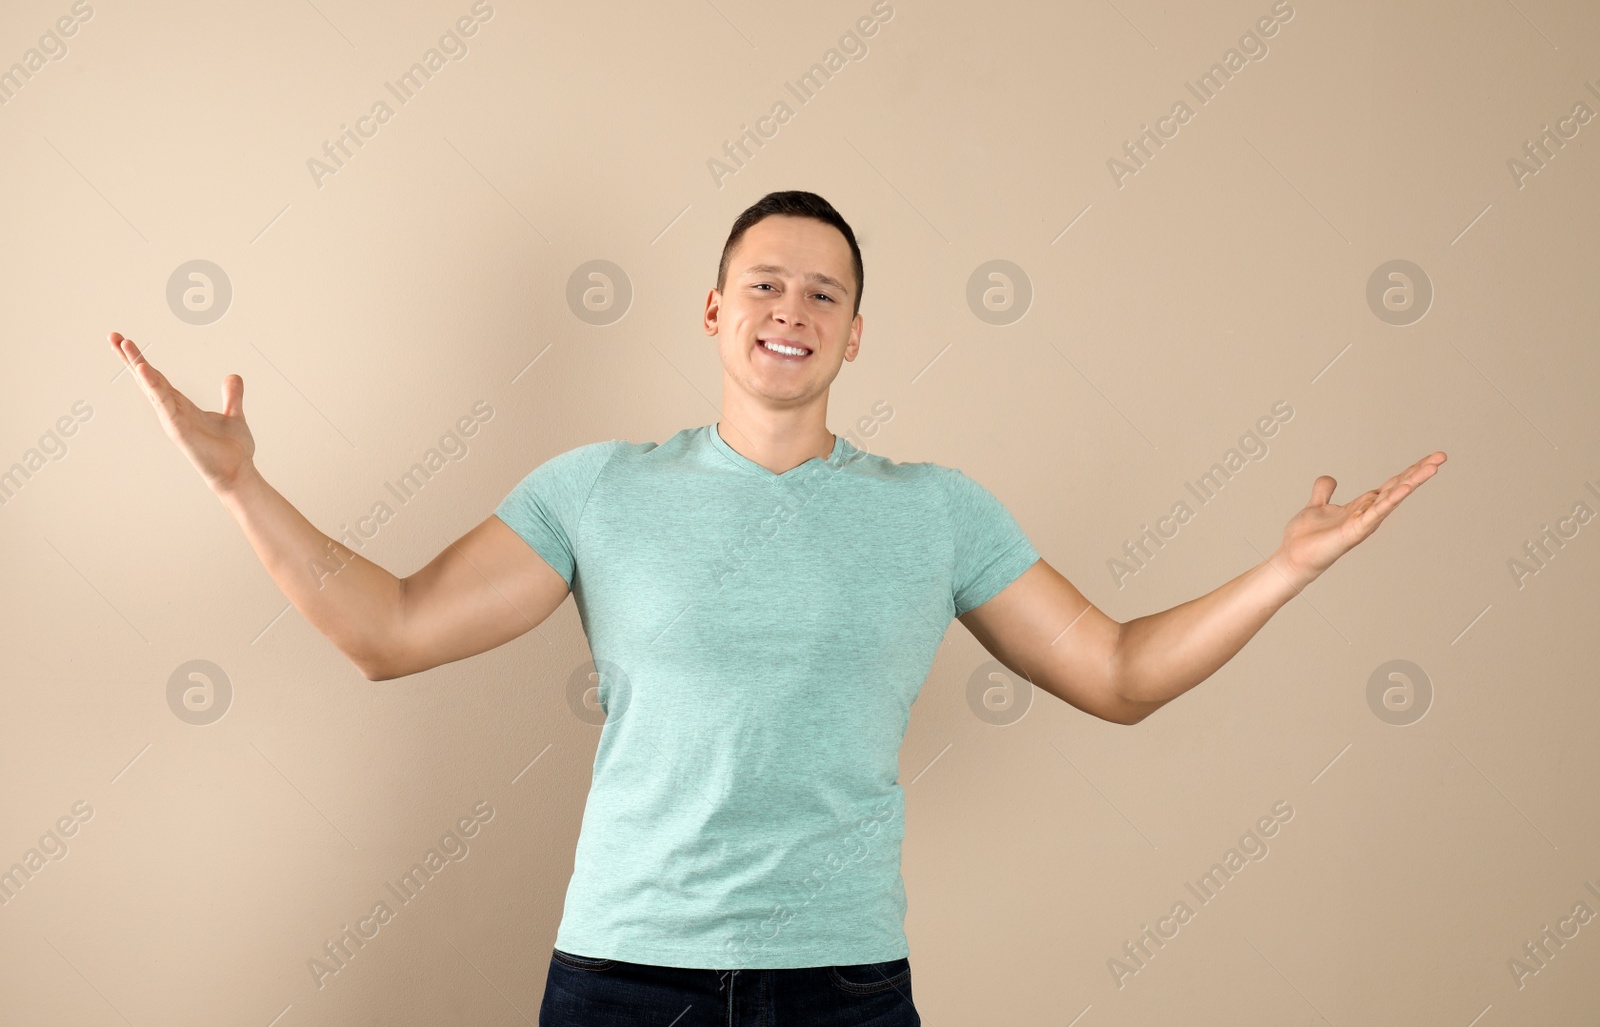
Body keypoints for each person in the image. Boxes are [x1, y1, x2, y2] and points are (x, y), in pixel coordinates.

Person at [109, 190, 1445, 1025]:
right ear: (712, 312)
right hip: (624, 981)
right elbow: (388, 632)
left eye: (825, 292)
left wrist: (1285, 570)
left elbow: (1117, 671)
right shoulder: (599, 492)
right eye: (765, 283)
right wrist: (244, 487)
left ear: (857, 335)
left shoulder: (937, 511)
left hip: (842, 988)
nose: (791, 310)